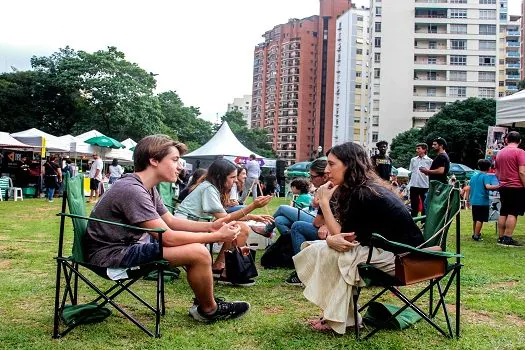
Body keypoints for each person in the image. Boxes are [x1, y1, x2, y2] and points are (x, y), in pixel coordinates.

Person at [84, 134, 250, 322]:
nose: (180, 166)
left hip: (121, 250)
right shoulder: (132, 190)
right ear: (153, 160)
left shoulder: (145, 187)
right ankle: (209, 310)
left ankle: (206, 304)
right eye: (175, 160)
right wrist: (215, 235)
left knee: (198, 250)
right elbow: (167, 237)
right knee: (199, 252)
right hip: (111, 258)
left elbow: (170, 221)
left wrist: (211, 226)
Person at [293, 142, 423, 334]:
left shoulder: (363, 193)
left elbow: (343, 239)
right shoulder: (364, 188)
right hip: (391, 251)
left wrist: (325, 203)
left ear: (349, 164)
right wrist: (330, 238)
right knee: (319, 248)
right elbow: (345, 237)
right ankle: (342, 317)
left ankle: (341, 319)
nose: (327, 170)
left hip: (404, 260)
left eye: (332, 164)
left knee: (330, 254)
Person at [176, 159, 273, 286]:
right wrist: (253, 207)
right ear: (220, 176)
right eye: (232, 177)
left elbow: (225, 217)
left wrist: (252, 216)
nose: (236, 180)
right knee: (240, 228)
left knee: (237, 227)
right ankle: (227, 272)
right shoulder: (209, 189)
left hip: (195, 224)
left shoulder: (210, 187)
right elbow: (226, 218)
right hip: (187, 227)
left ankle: (219, 267)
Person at [286, 157, 330, 285]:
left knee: (296, 225)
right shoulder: (324, 189)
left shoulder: (330, 190)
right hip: (329, 227)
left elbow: (317, 222)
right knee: (281, 218)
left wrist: (326, 224)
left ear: (324, 176)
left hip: (339, 233)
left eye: (313, 176)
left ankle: (304, 271)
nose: (310, 180)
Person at [494, 131, 525, 247]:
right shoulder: (520, 152)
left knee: (504, 211)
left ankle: (501, 237)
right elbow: (522, 172)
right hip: (516, 186)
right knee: (513, 212)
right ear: (520, 141)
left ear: (506, 140)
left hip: (503, 186)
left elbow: (496, 172)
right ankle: (508, 238)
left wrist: (503, 181)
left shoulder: (500, 153)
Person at [470, 159, 499, 241]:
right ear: (489, 168)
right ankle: (476, 235)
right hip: (482, 201)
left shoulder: (474, 176)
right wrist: (499, 186)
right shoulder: (486, 176)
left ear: (478, 167)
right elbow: (488, 186)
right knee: (480, 219)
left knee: (475, 218)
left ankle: (475, 233)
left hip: (474, 200)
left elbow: (470, 187)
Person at [408, 143, 433, 217]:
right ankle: (413, 222)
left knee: (425, 206)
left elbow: (431, 174)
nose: (417, 150)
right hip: (414, 186)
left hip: (424, 186)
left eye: (419, 148)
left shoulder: (430, 161)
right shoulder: (413, 160)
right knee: (414, 205)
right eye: (417, 148)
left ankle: (423, 222)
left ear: (424, 149)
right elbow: (411, 172)